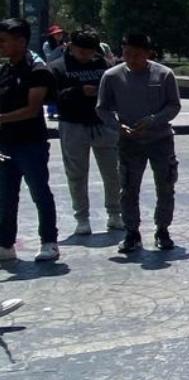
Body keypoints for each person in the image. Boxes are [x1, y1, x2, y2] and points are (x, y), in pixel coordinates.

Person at [96, 33, 181, 255]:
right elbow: (102, 108)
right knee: (128, 188)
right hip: (129, 141)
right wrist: (116, 125)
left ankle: (163, 229)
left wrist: (154, 119)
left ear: (147, 53)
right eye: (127, 54)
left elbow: (174, 106)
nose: (131, 59)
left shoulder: (164, 74)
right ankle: (131, 231)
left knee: (165, 185)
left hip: (160, 140)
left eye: (137, 54)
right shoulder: (112, 76)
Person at [0, 18, 59, 263]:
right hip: (5, 144)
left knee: (39, 193)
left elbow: (32, 109)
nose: (0, 45)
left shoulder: (38, 71)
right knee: (5, 196)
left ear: (21, 41)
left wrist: (1, 118)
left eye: (3, 41)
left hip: (30, 144)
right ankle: (5, 245)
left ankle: (49, 242)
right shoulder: (5, 70)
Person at [55, 28, 122, 236]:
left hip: (102, 123)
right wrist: (78, 92)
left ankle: (114, 213)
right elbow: (51, 97)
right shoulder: (57, 67)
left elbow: (116, 90)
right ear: (71, 46)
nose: (85, 56)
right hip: (73, 125)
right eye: (81, 51)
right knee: (76, 174)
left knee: (112, 172)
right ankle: (82, 218)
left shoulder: (103, 65)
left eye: (90, 51)